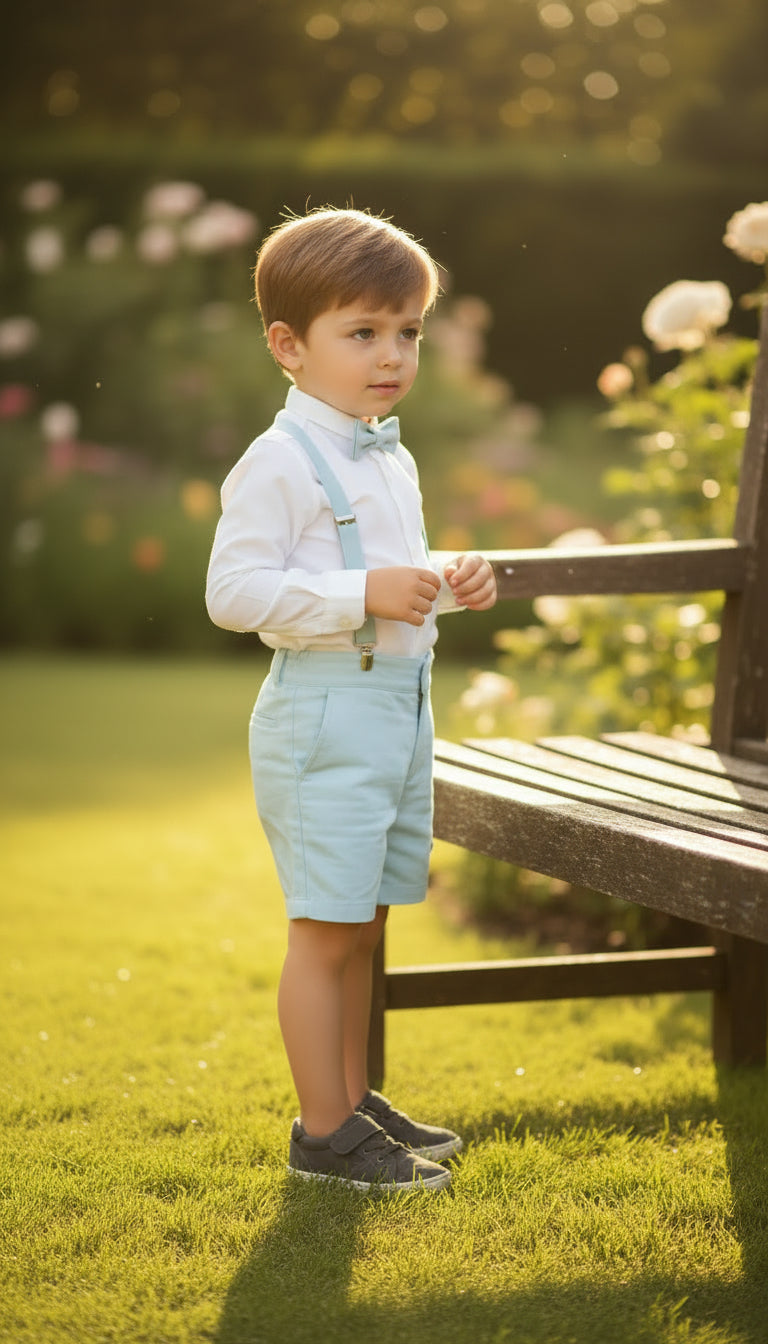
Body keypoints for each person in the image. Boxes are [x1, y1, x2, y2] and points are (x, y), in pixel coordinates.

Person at [206, 207, 497, 1192]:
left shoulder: (387, 452)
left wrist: (445, 575)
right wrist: (356, 594)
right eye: (362, 332)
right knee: (325, 927)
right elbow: (234, 595)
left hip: (397, 707)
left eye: (408, 331)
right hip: (325, 711)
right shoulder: (278, 461)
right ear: (289, 346)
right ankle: (322, 1132)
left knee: (366, 916)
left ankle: (352, 1093)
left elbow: (389, 575)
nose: (392, 354)